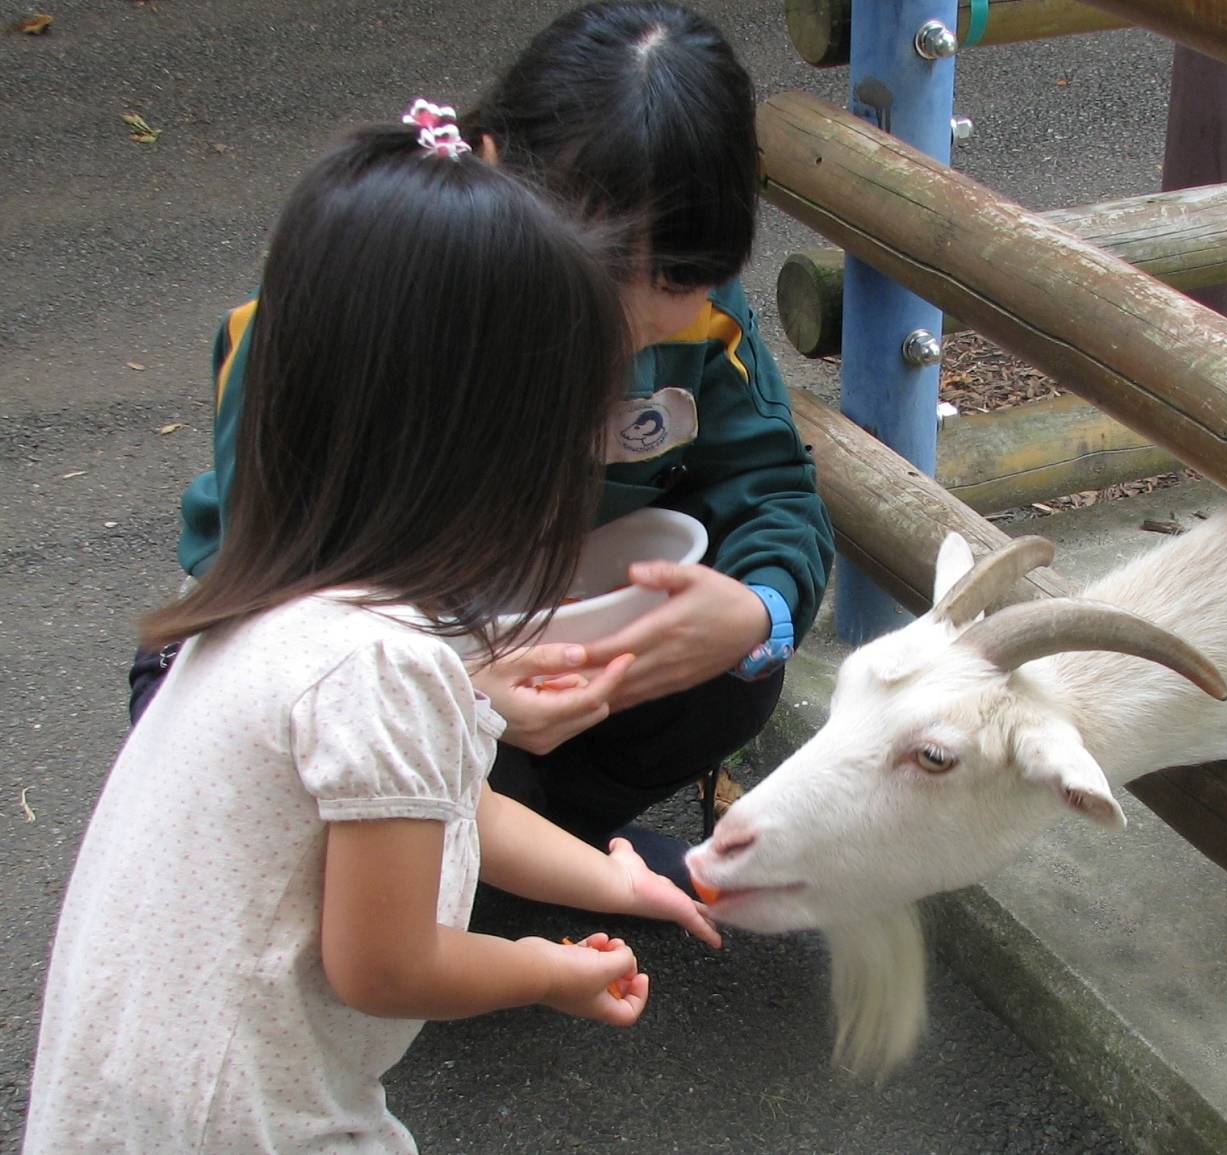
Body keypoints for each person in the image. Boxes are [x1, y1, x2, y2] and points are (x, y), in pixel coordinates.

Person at [27, 114, 719, 1155]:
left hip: (137, 1113)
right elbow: (386, 966)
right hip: (243, 1127)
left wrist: (608, 881)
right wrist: (549, 968)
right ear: (490, 441)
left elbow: (448, 804)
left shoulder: (285, 609)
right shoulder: (378, 664)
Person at [131, 0, 835, 876]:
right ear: (494, 169)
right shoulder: (347, 308)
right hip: (330, 661)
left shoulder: (703, 321)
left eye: (681, 282)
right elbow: (269, 602)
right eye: (602, 271)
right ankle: (456, 858)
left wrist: (757, 610)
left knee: (738, 668)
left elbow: (771, 487)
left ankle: (528, 845)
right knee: (235, 782)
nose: (629, 323)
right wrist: (455, 696)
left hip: (515, 656)